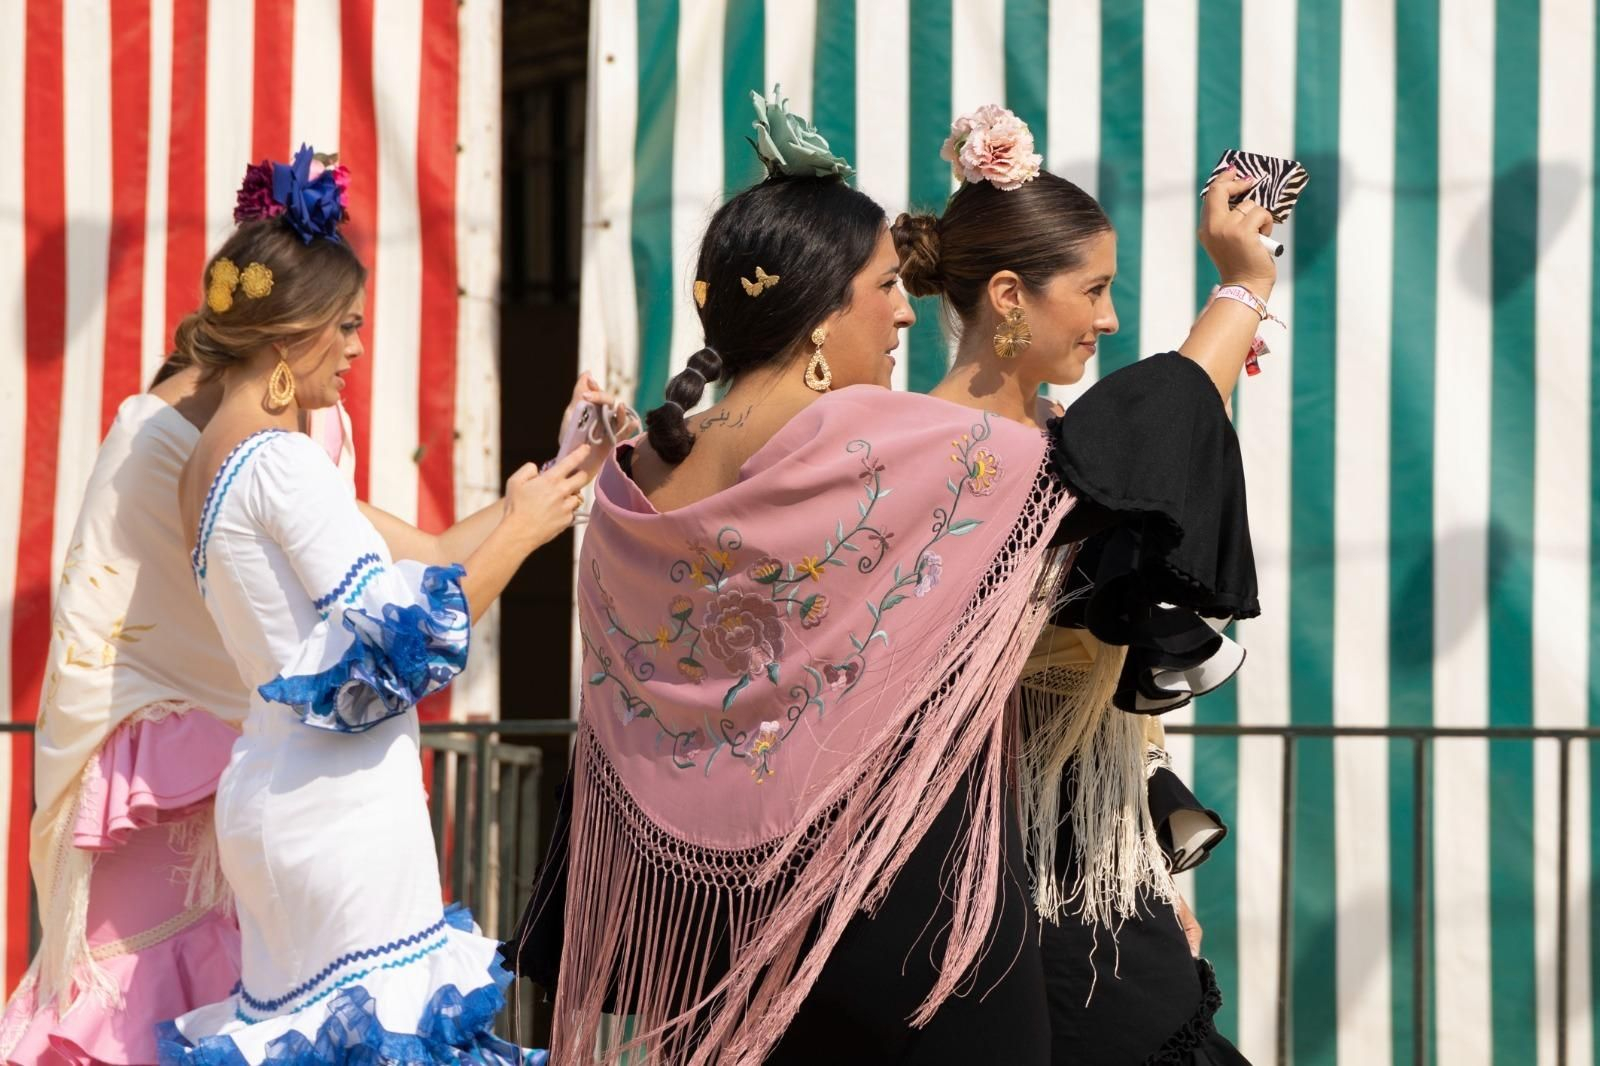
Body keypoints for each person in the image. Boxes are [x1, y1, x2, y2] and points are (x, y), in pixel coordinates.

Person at [510, 88, 1086, 1065]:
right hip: (892, 918)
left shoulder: (635, 475)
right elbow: (1086, 467)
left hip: (710, 939)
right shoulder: (872, 441)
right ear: (821, 314)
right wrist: (1239, 295)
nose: (904, 310)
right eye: (885, 285)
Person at [154, 146, 589, 1065]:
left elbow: (425, 556)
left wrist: (547, 482)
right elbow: (396, 653)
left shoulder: (212, 460)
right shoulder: (284, 462)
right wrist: (526, 533)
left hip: (276, 794)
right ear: (291, 334)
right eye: (346, 327)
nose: (356, 349)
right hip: (337, 807)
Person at [894, 103, 1263, 1063]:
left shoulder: (1055, 445)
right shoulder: (953, 452)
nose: (1108, 318)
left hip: (1091, 861)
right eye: (1094, 290)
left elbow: (1150, 437)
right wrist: (1244, 286)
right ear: (1009, 295)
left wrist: (1150, 862)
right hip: (998, 876)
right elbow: (1164, 412)